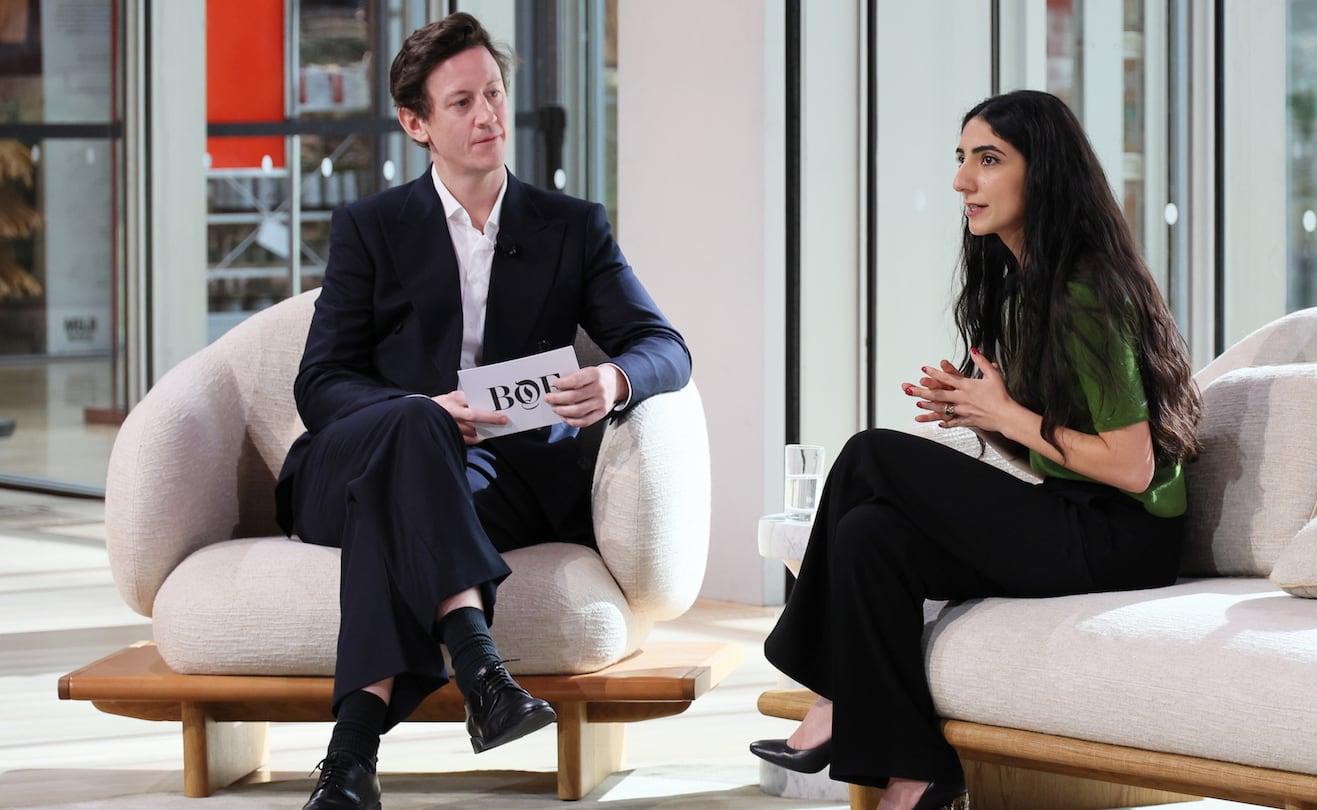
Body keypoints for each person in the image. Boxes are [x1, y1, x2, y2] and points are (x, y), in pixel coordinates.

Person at [275, 13, 691, 810]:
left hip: (492, 481)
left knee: (392, 511)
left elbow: (663, 344)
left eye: (494, 94)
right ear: (416, 123)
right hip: (354, 461)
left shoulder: (571, 227)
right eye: (461, 102)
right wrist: (421, 408)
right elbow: (320, 382)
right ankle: (480, 668)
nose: (488, 116)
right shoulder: (371, 227)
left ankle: (351, 761)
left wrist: (615, 385)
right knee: (412, 429)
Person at [749, 89, 1202, 810]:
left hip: (1127, 534)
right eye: (962, 159)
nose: (963, 180)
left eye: (988, 160)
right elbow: (1053, 453)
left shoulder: (1088, 289)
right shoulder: (1024, 291)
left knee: (871, 454)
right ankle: (916, 775)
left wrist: (1009, 416)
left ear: (1042, 172)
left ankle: (830, 686)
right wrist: (982, 415)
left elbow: (1131, 465)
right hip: (1074, 511)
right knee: (871, 536)